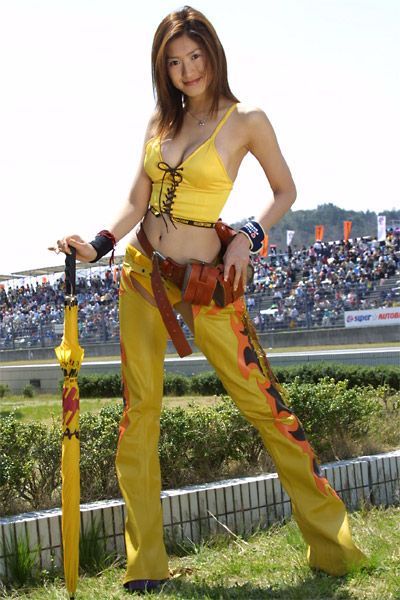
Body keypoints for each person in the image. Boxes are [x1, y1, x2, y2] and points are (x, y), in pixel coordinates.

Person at [54, 6, 365, 593]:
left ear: (213, 54)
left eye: (195, 56)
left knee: (265, 406)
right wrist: (97, 245)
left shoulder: (246, 120)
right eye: (174, 62)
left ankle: (334, 546)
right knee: (138, 415)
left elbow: (285, 190)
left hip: (207, 283)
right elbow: (136, 200)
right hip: (143, 274)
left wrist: (248, 234)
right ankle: (146, 567)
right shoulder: (159, 120)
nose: (187, 70)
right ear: (163, 69)